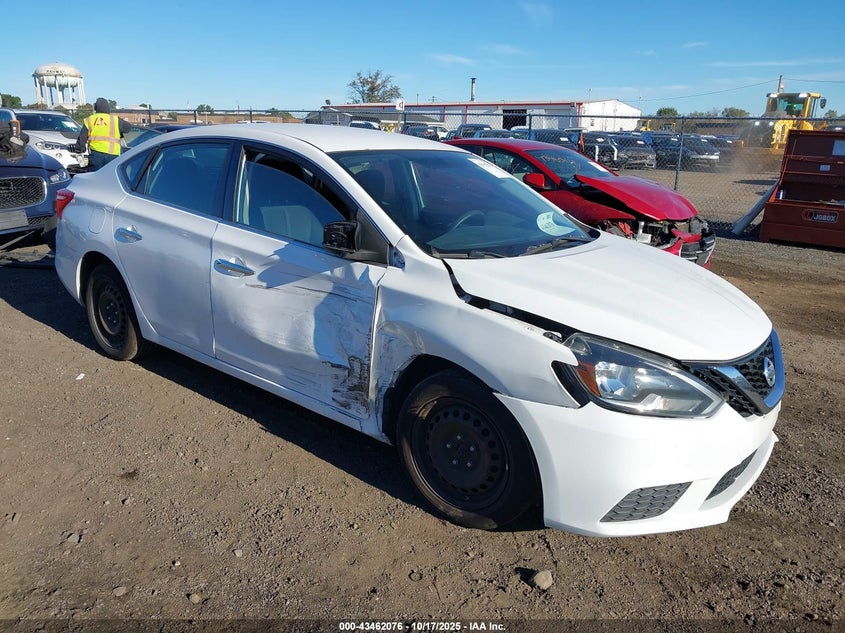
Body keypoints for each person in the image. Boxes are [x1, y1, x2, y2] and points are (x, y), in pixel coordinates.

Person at [73, 97, 132, 170]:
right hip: (113, 156)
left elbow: (82, 138)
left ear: (96, 108)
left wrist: (79, 151)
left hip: (96, 154)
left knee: (95, 176)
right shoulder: (115, 119)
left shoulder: (90, 119)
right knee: (110, 175)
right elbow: (128, 128)